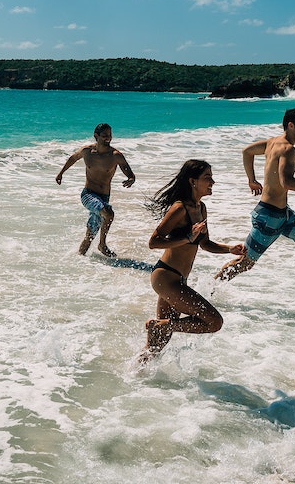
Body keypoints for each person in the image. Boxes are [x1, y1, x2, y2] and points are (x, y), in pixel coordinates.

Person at [215, 107, 295, 305]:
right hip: (268, 218)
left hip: (283, 215)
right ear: (291, 125)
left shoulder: (272, 142)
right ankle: (209, 292)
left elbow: (247, 152)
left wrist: (251, 180)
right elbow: (286, 182)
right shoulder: (288, 150)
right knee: (244, 263)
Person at [141, 159, 245, 361]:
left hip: (177, 280)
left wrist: (229, 249)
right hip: (166, 277)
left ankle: (137, 376)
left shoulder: (201, 208)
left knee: (156, 346)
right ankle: (158, 324)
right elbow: (153, 242)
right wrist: (187, 238)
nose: (212, 182)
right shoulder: (180, 208)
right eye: (207, 177)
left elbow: (205, 244)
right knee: (214, 322)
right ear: (192, 181)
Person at [55, 123, 136, 257]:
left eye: (110, 135)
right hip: (88, 194)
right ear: (96, 136)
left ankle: (78, 261)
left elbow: (129, 173)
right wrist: (60, 173)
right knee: (109, 214)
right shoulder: (87, 151)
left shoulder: (116, 155)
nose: (108, 138)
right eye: (104, 136)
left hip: (103, 197)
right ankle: (102, 245)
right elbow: (73, 158)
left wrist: (131, 179)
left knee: (89, 236)